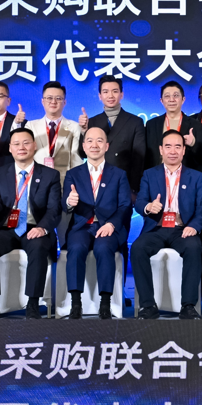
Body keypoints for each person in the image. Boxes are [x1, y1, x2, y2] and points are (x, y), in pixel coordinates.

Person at [0, 128, 62, 319]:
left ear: (35, 146)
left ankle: (33, 304)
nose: (21, 147)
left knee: (39, 247)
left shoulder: (50, 175)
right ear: (10, 148)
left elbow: (54, 209)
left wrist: (42, 228)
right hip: (7, 228)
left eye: (26, 143)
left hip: (36, 227)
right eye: (16, 144)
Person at [131, 130, 202, 319]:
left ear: (184, 150)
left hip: (183, 229)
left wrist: (194, 226)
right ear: (161, 150)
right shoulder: (149, 174)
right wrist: (148, 206)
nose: (173, 151)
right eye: (168, 146)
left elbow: (201, 208)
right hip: (156, 228)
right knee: (138, 248)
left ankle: (188, 306)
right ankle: (148, 305)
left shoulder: (196, 176)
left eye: (177, 147)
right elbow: (140, 202)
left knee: (194, 247)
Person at [62, 126, 132, 319]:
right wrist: (69, 202)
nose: (94, 145)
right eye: (90, 141)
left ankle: (105, 303)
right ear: (84, 146)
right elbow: (65, 203)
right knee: (76, 248)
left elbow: (125, 205)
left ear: (106, 146)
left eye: (99, 141)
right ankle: (76, 303)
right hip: (82, 225)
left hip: (108, 226)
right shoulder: (73, 174)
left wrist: (112, 224)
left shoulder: (118, 174)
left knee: (103, 248)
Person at [77, 75, 147, 197]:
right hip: (95, 184)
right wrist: (83, 131)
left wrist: (133, 189)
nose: (110, 95)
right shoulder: (92, 122)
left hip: (123, 185)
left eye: (115, 91)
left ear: (121, 94)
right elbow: (82, 153)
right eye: (105, 92)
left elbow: (139, 159)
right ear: (100, 96)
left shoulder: (135, 122)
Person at [144, 80, 200, 170]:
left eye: (176, 95)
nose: (171, 99)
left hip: (185, 175)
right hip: (157, 174)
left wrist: (193, 143)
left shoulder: (195, 125)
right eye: (167, 96)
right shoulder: (151, 125)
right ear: (161, 101)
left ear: (183, 99)